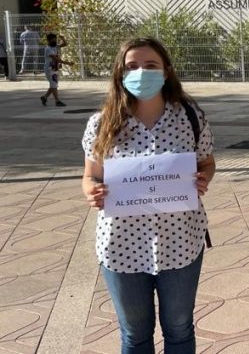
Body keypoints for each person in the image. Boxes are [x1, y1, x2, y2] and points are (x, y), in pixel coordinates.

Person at [81, 37, 216, 353]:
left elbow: (207, 162)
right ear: (120, 73)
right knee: (135, 334)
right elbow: (90, 175)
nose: (141, 72)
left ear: (166, 71)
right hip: (121, 245)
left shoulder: (191, 117)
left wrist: (202, 179)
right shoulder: (102, 124)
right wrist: (92, 191)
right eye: (132, 66)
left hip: (181, 241)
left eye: (151, 65)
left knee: (180, 329)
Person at [40, 33, 73, 107]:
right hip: (49, 69)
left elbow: (65, 44)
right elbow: (55, 58)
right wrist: (67, 63)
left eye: (55, 39)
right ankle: (57, 101)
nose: (55, 41)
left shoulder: (56, 46)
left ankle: (44, 97)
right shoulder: (48, 49)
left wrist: (63, 38)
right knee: (54, 85)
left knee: (53, 85)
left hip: (55, 68)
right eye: (53, 40)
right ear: (48, 41)